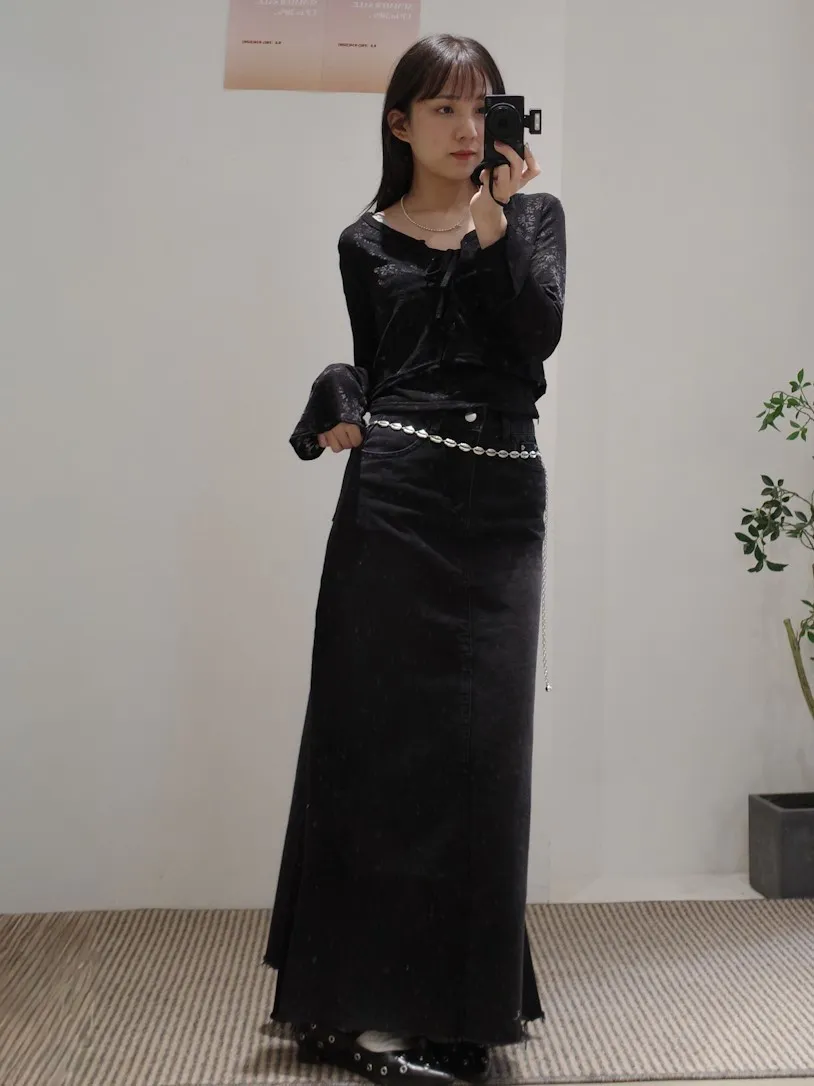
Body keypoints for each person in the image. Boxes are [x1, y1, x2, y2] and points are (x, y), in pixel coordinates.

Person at [262, 32, 566, 1086]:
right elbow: (384, 364)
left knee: (484, 759)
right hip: (393, 501)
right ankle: (349, 1008)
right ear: (400, 122)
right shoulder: (363, 239)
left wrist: (493, 217)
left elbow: (531, 339)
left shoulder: (532, 219)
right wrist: (339, 389)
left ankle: (458, 1007)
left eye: (482, 107)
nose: (466, 127)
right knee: (376, 746)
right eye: (442, 108)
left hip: (501, 505)